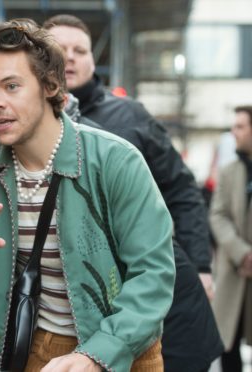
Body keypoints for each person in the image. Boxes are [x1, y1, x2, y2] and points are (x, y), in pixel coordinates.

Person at [0, 19, 175, 371]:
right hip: (29, 348)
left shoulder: (114, 160)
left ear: (50, 85)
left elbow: (153, 274)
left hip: (122, 348)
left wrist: (98, 353)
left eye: (11, 86)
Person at [43, 14, 223, 372]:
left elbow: (182, 191)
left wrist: (202, 265)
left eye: (81, 50)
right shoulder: (8, 126)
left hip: (157, 291)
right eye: (60, 50)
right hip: (64, 309)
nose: (72, 57)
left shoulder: (129, 115)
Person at [210, 105, 252, 372]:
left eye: (240, 126)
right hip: (235, 269)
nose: (233, 132)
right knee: (228, 342)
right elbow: (217, 215)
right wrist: (243, 253)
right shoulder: (229, 171)